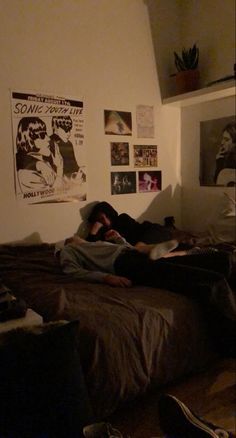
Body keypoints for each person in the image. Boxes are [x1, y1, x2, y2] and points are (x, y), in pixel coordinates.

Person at [56, 234, 236, 357]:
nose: (77, 237)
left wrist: (118, 238)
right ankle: (230, 341)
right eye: (74, 238)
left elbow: (125, 247)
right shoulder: (69, 250)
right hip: (124, 265)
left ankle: (155, 252)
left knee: (224, 260)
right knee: (211, 281)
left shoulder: (95, 244)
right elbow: (72, 271)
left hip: (134, 253)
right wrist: (107, 277)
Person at [86, 201, 174, 245]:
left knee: (168, 234)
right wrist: (94, 230)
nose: (104, 221)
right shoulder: (102, 232)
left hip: (148, 231)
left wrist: (118, 237)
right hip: (138, 245)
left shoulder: (122, 218)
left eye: (105, 217)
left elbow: (133, 236)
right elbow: (90, 247)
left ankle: (170, 226)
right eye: (100, 219)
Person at [16, 117, 63, 191]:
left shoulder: (45, 160)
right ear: (29, 139)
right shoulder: (28, 175)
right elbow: (54, 196)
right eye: (42, 135)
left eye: (46, 134)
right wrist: (60, 168)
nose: (48, 139)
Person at [50, 115, 84, 180]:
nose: (69, 133)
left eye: (69, 130)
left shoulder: (68, 144)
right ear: (56, 127)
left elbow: (74, 167)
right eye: (66, 130)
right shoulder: (49, 143)